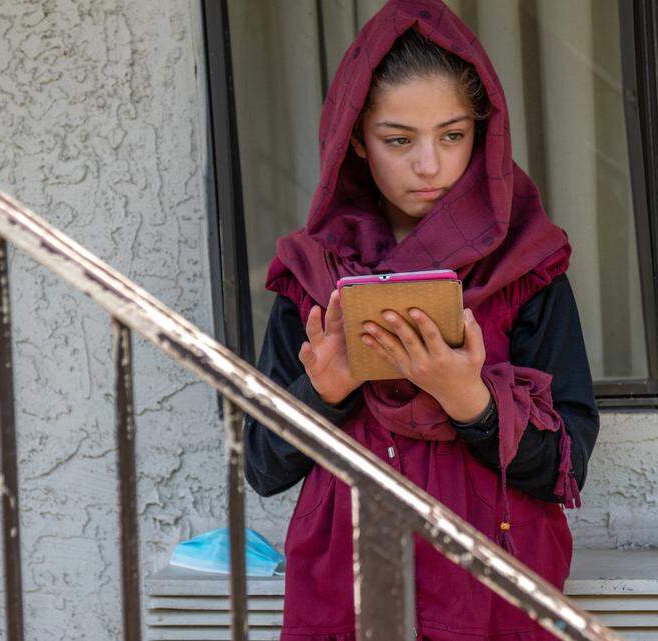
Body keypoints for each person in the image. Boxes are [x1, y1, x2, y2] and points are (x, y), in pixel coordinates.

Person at [243, 1, 599, 639]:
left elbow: (565, 467)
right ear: (355, 137)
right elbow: (264, 469)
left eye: (453, 135)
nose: (429, 165)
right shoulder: (312, 277)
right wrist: (322, 393)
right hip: (346, 586)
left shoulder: (529, 268)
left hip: (493, 582)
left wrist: (470, 401)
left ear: (482, 136)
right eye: (399, 140)